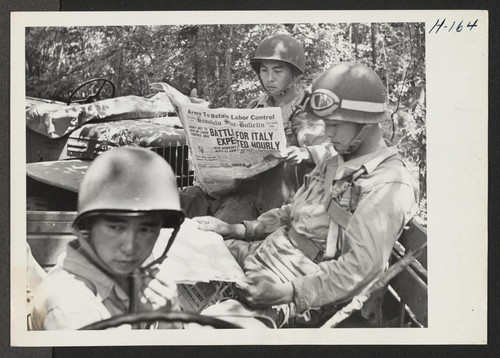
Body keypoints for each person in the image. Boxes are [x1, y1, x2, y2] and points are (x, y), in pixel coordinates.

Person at [194, 62, 418, 328]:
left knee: (205, 328)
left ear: (366, 123)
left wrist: (287, 293)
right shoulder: (336, 160)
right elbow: (292, 212)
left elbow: (360, 269)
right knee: (182, 254)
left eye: (334, 124)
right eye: (326, 123)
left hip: (298, 288)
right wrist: (235, 229)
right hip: (268, 256)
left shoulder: (388, 183)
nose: (327, 133)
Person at [181, 33, 334, 223]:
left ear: (294, 74)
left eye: (278, 71)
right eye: (264, 71)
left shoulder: (305, 111)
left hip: (268, 204)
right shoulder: (255, 107)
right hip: (233, 191)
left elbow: (332, 152)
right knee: (177, 203)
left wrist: (306, 153)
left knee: (217, 229)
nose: (269, 78)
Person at [30, 147, 185, 330]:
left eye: (145, 229)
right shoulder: (71, 306)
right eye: (115, 227)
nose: (130, 247)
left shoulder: (133, 271)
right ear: (88, 225)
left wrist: (171, 316)